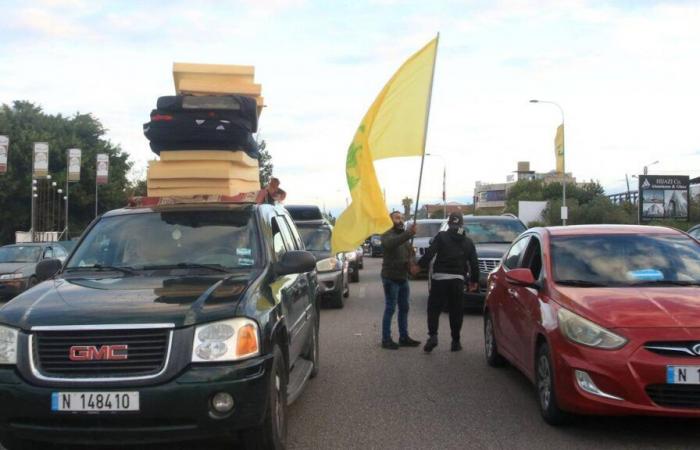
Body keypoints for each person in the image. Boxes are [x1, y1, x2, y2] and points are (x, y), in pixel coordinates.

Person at [418, 212, 479, 353]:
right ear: (462, 224)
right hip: (457, 280)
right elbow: (474, 264)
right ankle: (455, 342)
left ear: (449, 223)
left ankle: (433, 336)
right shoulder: (468, 242)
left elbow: (430, 254)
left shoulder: (441, 237)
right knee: (456, 311)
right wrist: (474, 281)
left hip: (439, 279)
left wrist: (418, 266)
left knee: (434, 309)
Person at [379, 211, 421, 350]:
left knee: (404, 308)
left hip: (403, 277)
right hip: (391, 278)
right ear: (390, 220)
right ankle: (386, 339)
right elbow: (391, 244)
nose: (400, 220)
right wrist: (409, 233)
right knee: (390, 308)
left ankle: (404, 337)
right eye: (397, 218)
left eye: (402, 218)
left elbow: (410, 254)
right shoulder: (386, 234)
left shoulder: (404, 236)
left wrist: (412, 265)